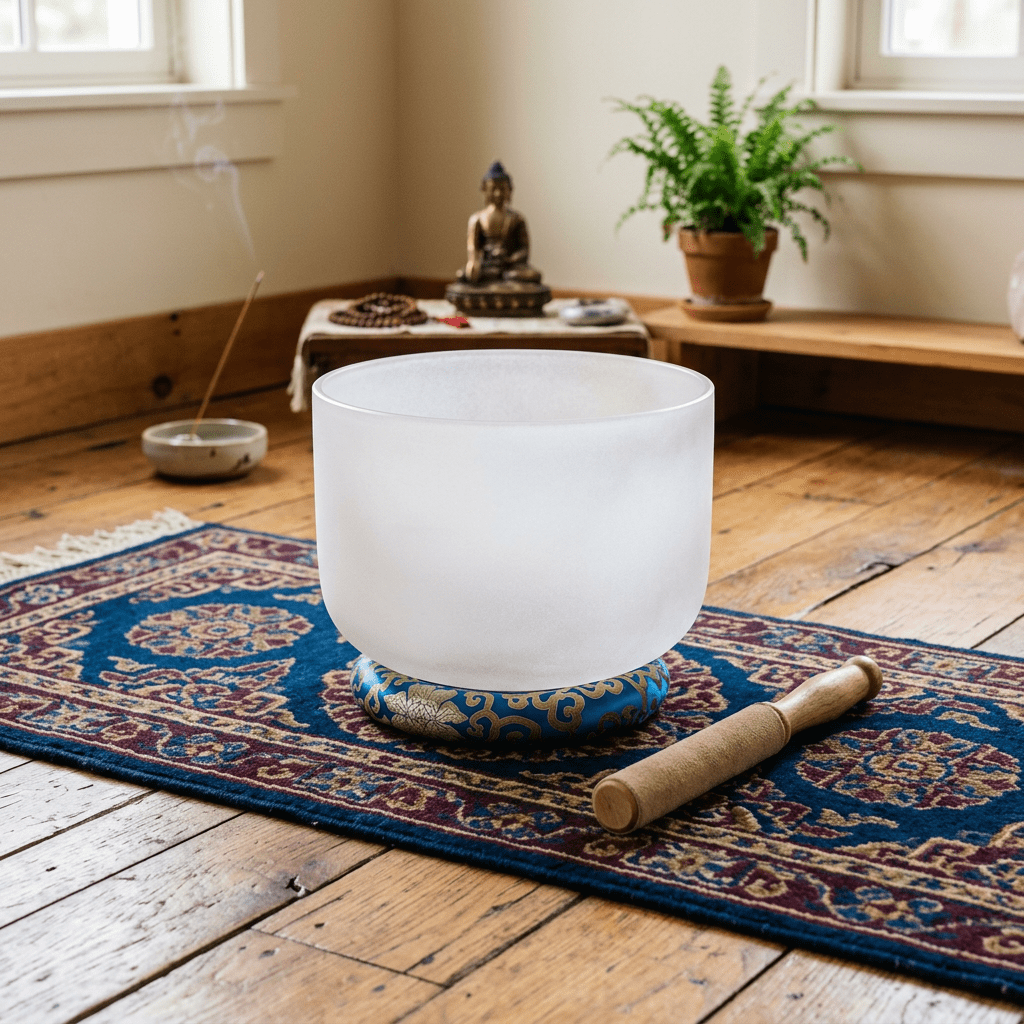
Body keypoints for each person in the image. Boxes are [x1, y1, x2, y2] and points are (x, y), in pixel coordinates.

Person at [458, 161, 542, 285]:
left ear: (510, 190)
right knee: (463, 275)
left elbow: (524, 249)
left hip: (510, 267)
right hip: (487, 266)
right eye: (493, 189)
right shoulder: (477, 219)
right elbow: (473, 247)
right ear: (485, 189)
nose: (498, 193)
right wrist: (474, 262)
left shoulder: (517, 218)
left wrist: (509, 259)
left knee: (533, 275)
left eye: (502, 189)